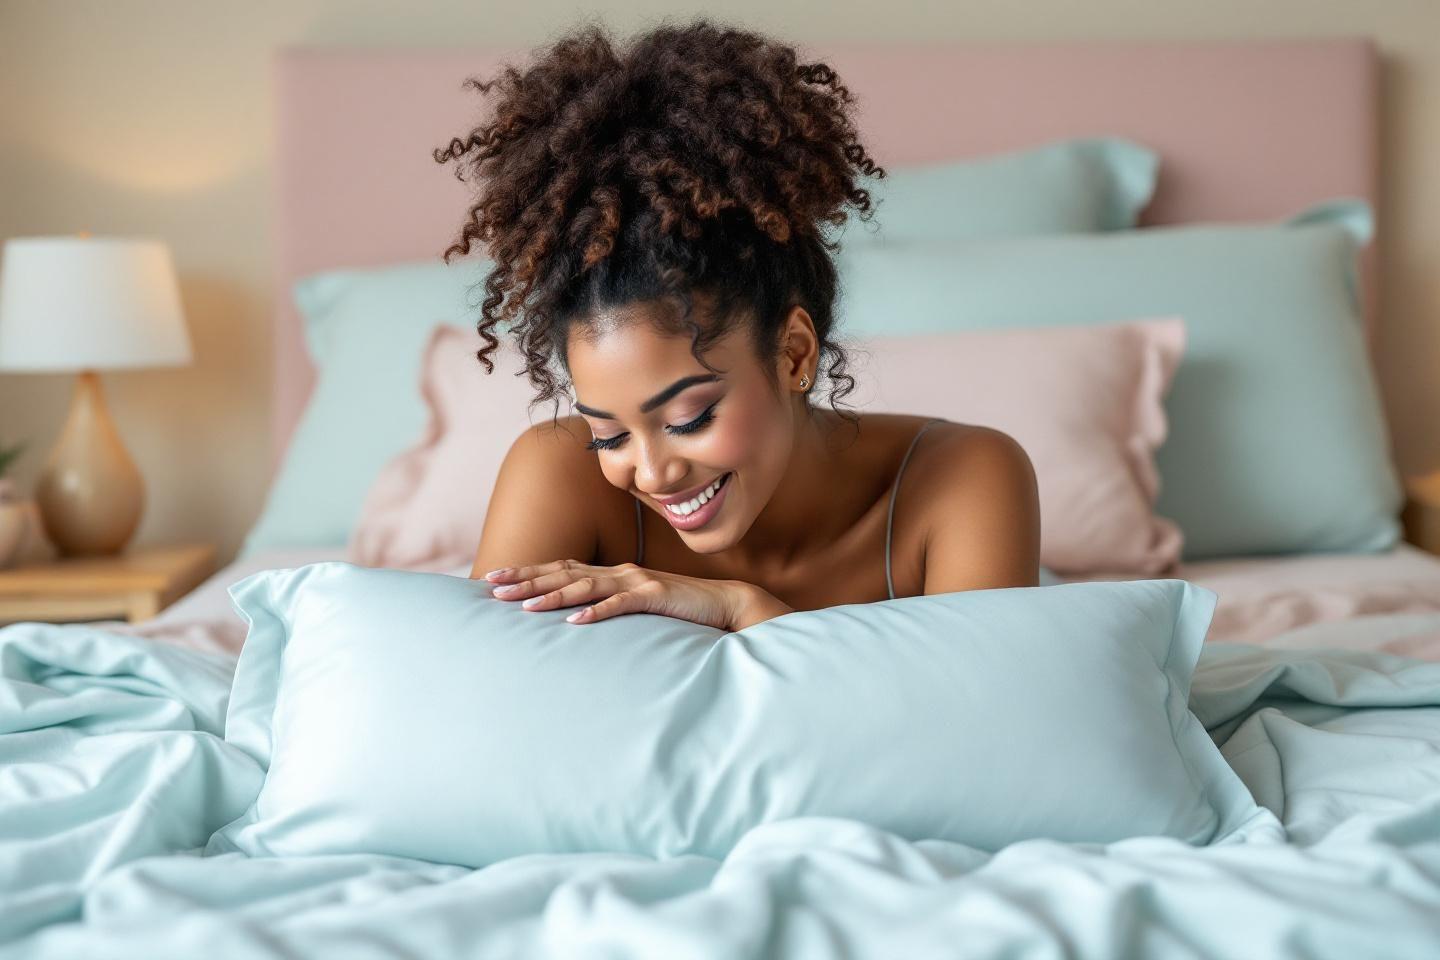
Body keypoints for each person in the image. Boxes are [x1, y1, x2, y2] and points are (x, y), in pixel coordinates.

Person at [434, 17, 1040, 631]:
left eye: (689, 418)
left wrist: (744, 610)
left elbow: (973, 719)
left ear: (796, 353)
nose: (651, 473)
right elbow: (475, 701)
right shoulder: (559, 475)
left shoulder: (963, 479)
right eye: (609, 437)